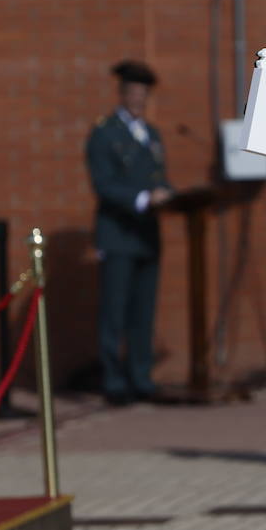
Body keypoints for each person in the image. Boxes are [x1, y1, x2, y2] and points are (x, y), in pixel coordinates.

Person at [86, 59, 172, 405]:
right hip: (118, 234)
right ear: (123, 94)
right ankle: (114, 380)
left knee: (143, 311)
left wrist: (167, 193)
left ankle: (141, 377)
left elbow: (159, 177)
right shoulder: (104, 133)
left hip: (147, 236)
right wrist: (142, 198)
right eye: (133, 92)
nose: (138, 99)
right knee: (115, 311)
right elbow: (103, 183)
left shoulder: (152, 134)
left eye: (143, 93)